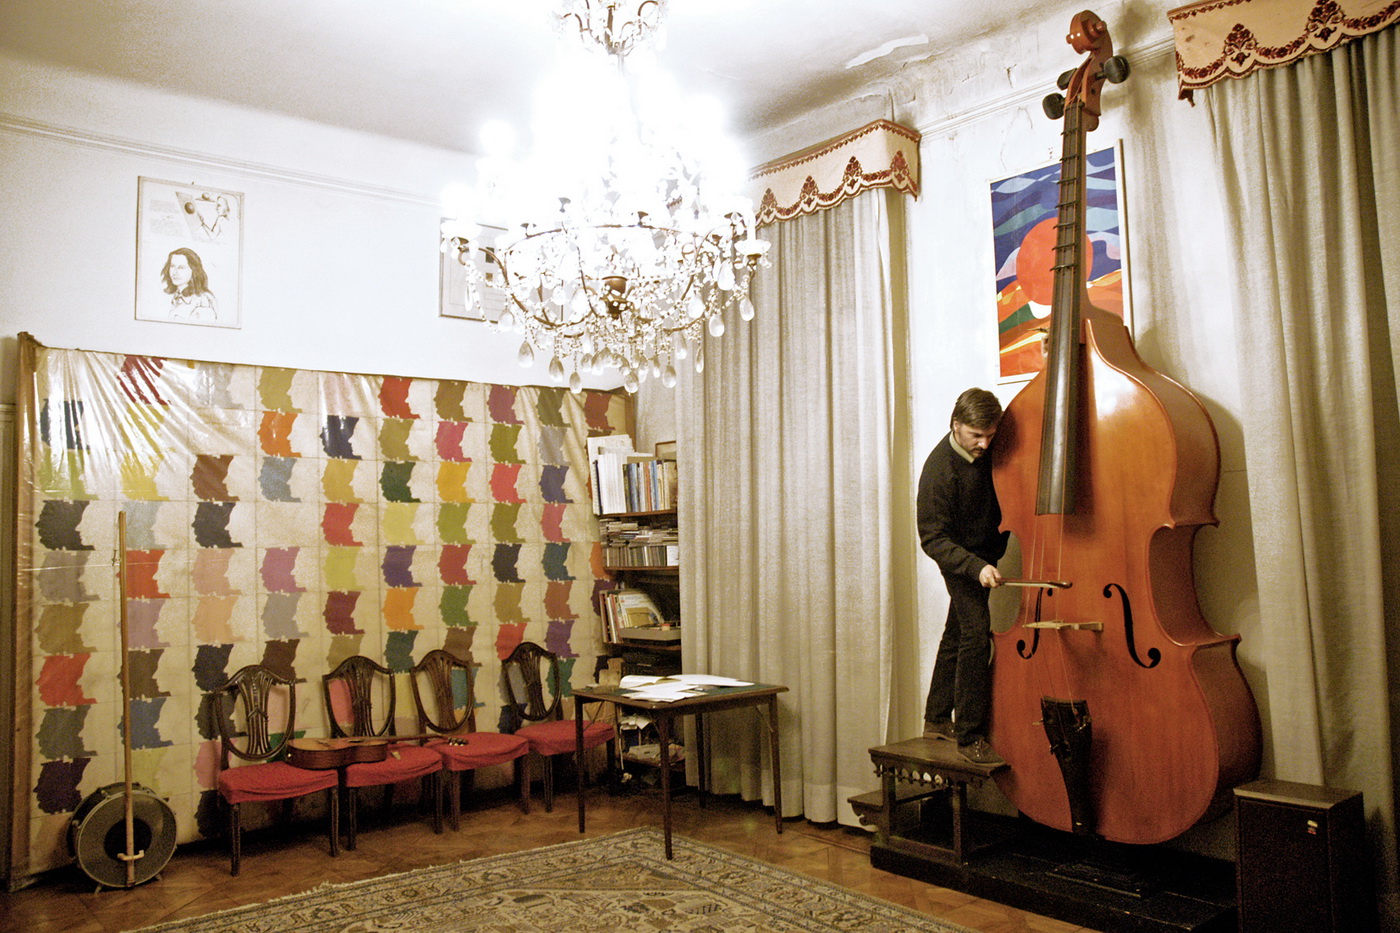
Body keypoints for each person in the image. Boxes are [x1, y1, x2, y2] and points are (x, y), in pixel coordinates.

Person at [917, 387, 1009, 766]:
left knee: (956, 632)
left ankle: (937, 718)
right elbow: (933, 539)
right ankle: (969, 737)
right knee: (975, 633)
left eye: (990, 435)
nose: (985, 444)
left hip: (983, 555)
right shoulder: (939, 470)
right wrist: (976, 567)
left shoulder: (986, 449)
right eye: (976, 435)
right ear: (956, 424)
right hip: (958, 558)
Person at [161, 247, 218, 321]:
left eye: (181, 267)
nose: (175, 272)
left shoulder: (203, 300)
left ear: (193, 270)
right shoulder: (175, 297)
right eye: (172, 266)